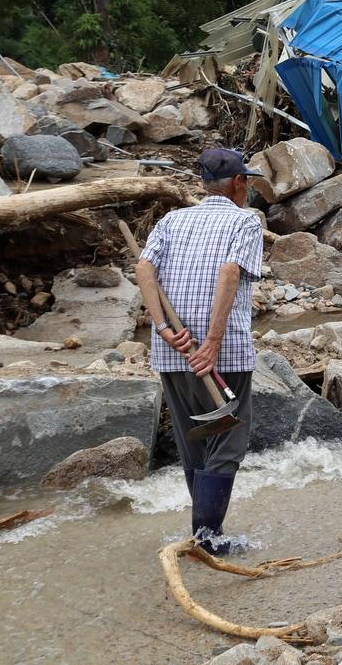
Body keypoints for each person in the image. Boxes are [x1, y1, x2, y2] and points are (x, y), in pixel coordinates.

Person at [136, 148, 264, 553]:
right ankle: (208, 540)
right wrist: (211, 342)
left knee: (194, 441)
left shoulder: (172, 220)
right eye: (248, 181)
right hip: (221, 354)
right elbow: (230, 271)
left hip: (172, 351)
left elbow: (144, 270)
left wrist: (160, 327)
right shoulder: (246, 220)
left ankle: (201, 533)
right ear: (239, 184)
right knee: (227, 443)